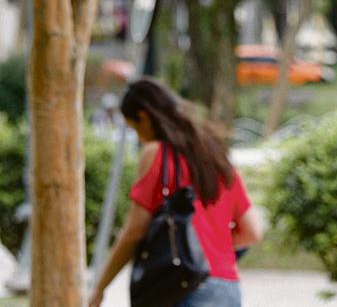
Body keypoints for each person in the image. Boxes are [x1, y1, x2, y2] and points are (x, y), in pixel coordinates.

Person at [88, 79, 263, 307]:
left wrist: (101, 287)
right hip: (226, 291)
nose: (140, 139)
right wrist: (212, 247)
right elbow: (252, 231)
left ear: (144, 116)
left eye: (135, 129)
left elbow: (134, 231)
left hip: (183, 289)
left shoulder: (157, 153)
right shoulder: (217, 157)